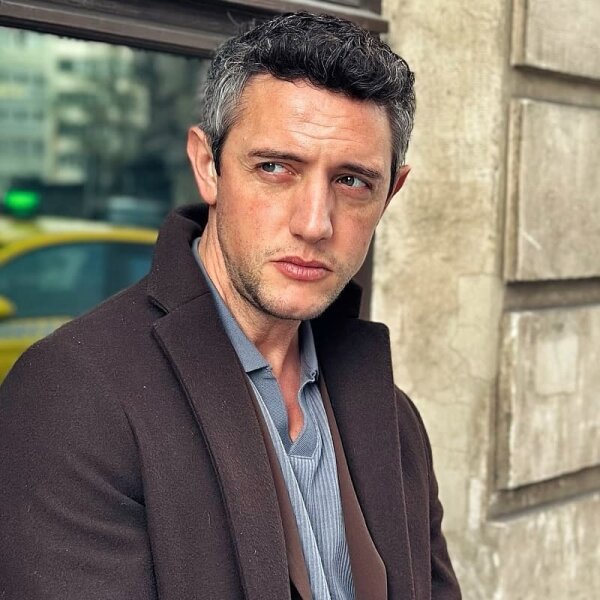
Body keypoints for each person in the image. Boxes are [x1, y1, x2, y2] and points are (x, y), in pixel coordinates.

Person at [0, 12, 461, 600]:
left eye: (352, 182)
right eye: (275, 168)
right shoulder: (74, 393)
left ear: (391, 192)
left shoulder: (393, 418)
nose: (314, 223)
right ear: (207, 166)